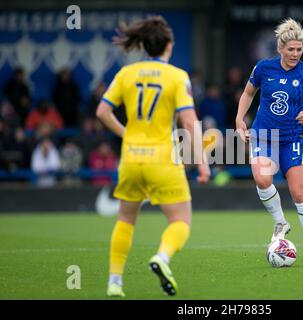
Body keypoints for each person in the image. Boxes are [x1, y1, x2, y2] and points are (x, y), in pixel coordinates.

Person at [96, 16, 210, 297]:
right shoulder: (177, 76)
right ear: (168, 46)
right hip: (163, 159)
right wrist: (203, 161)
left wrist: (127, 134)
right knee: (181, 221)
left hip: (132, 158)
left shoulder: (126, 74)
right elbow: (189, 122)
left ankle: (115, 282)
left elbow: (102, 112)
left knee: (125, 220)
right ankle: (162, 257)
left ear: (144, 46)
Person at [235, 18, 303, 267]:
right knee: (262, 178)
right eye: (290, 49)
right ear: (280, 48)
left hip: (293, 138)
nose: (294, 54)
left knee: (299, 194)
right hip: (263, 134)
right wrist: (239, 120)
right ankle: (280, 221)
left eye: (298, 49)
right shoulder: (263, 68)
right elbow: (248, 93)